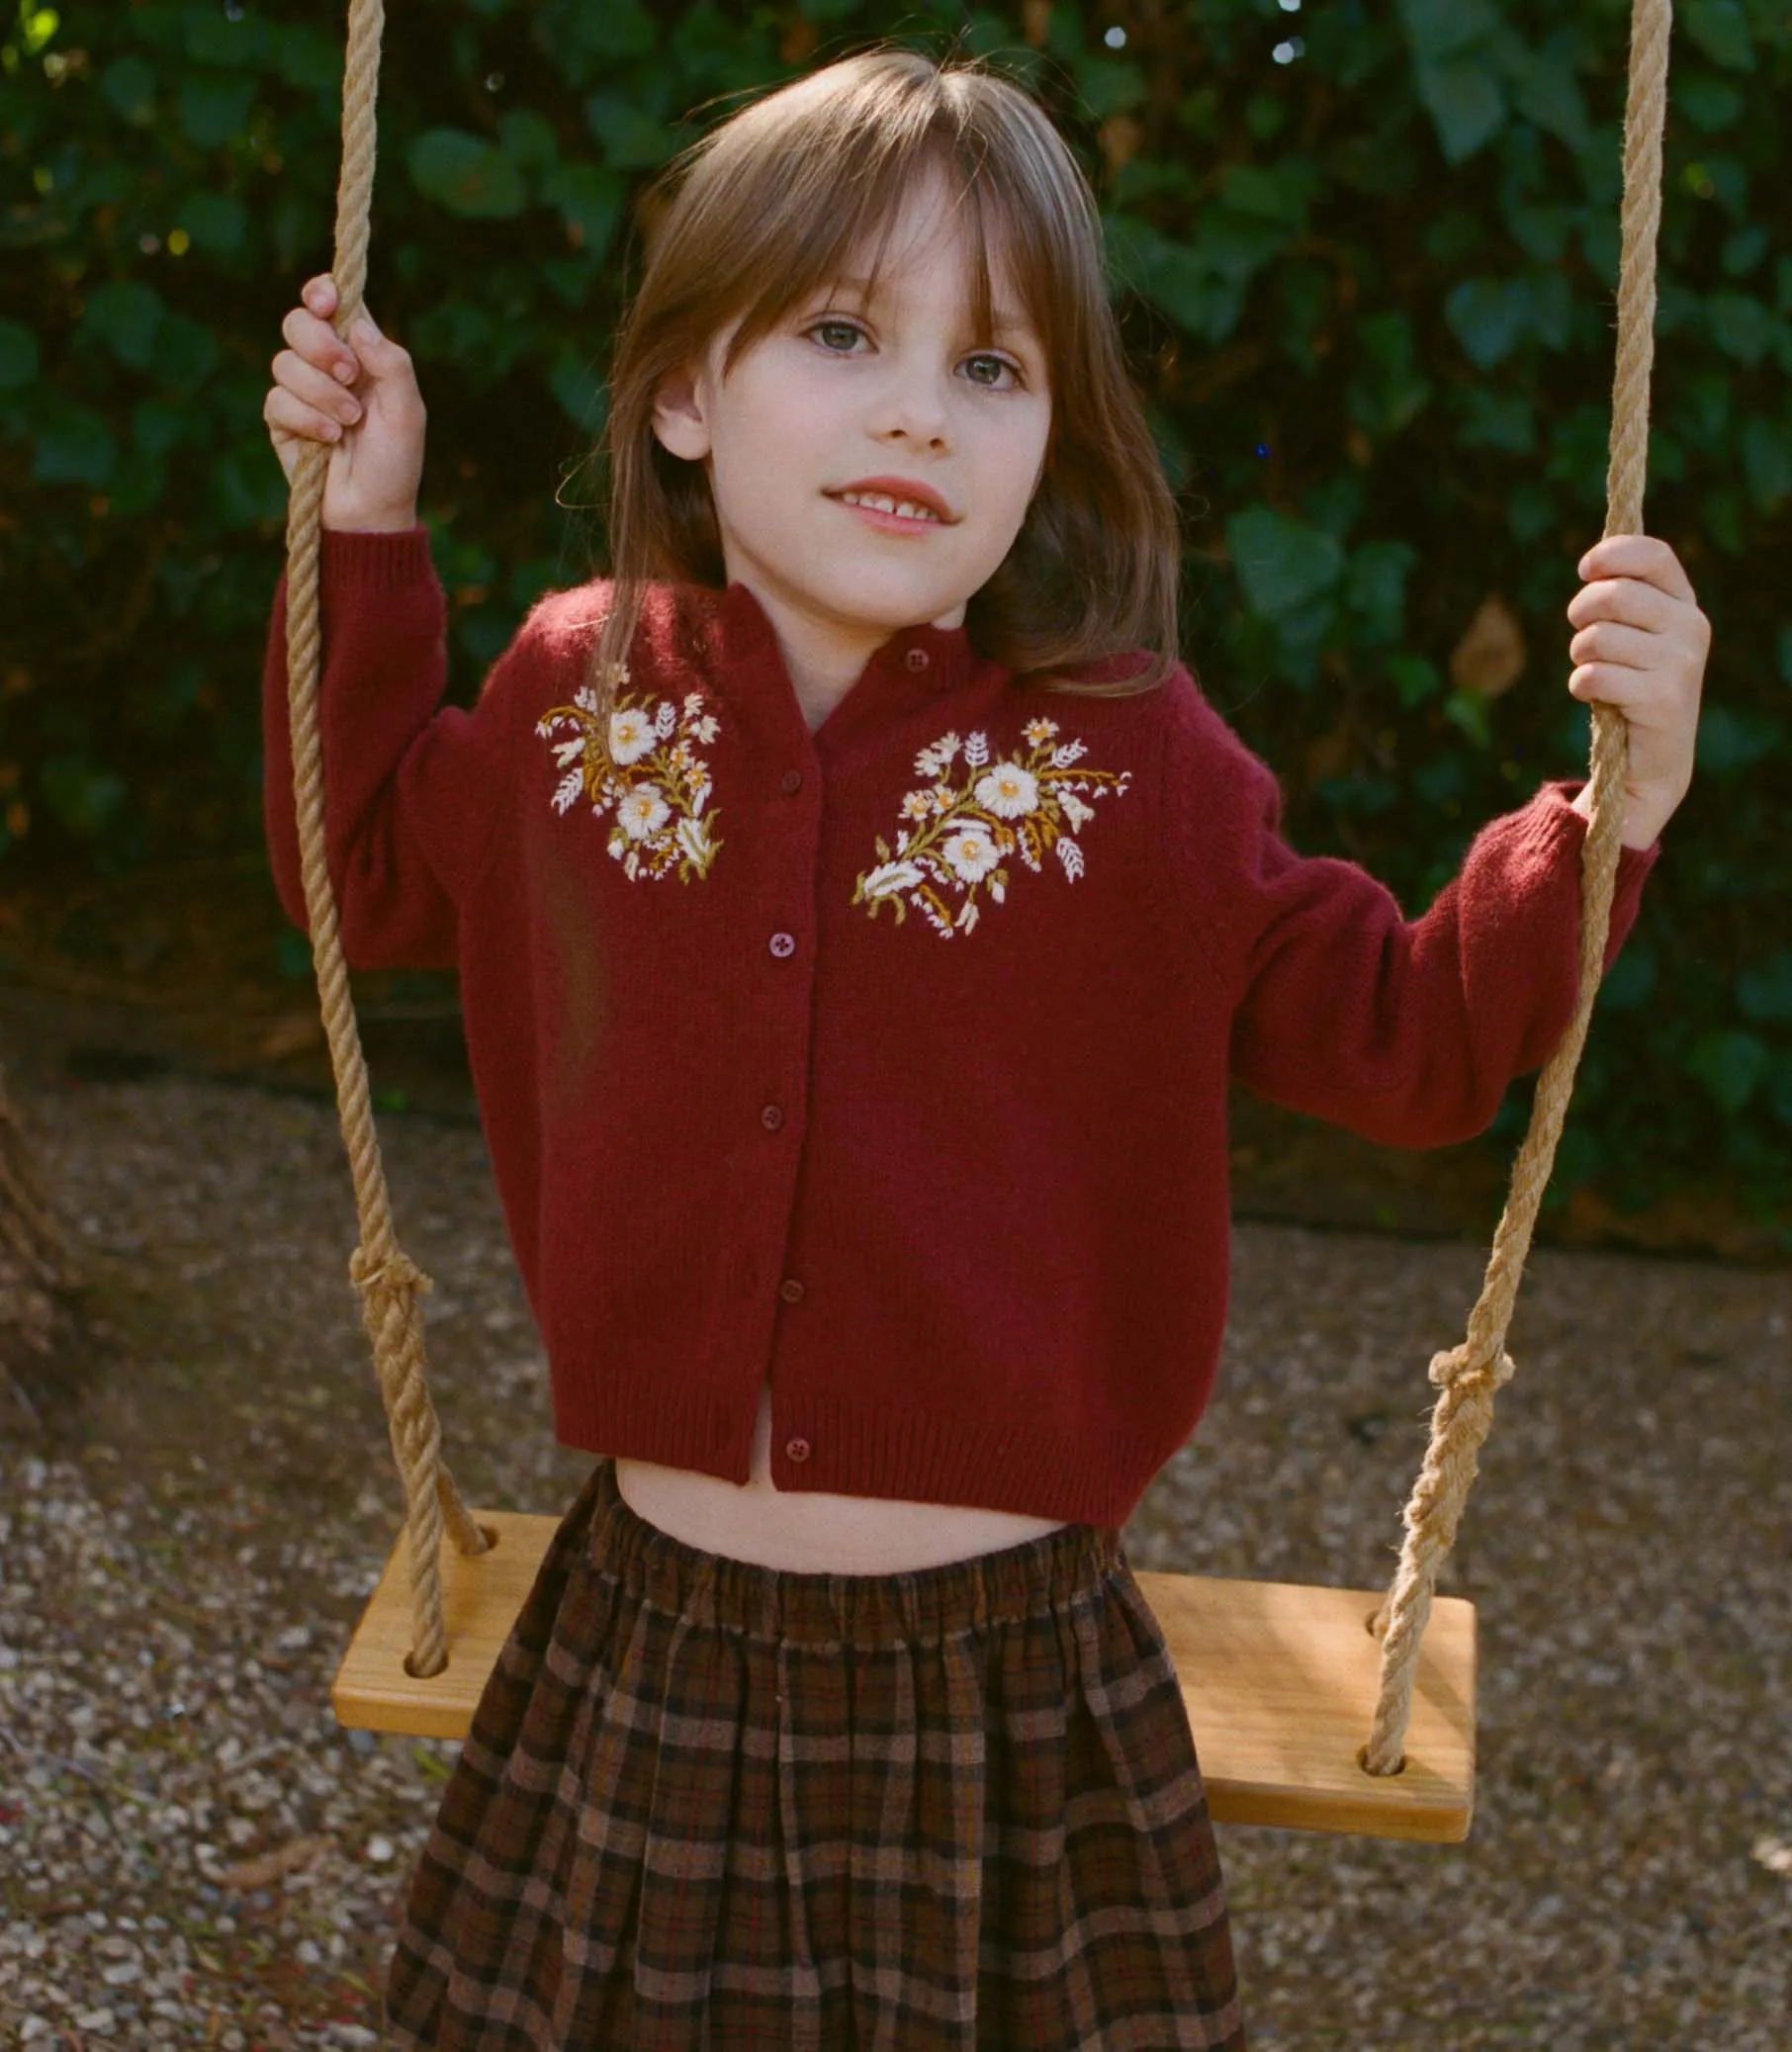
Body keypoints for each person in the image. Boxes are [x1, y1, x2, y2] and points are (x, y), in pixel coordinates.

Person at [260, 44, 1706, 2052]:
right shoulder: (584, 697)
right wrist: (366, 524)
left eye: (993, 369)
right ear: (684, 393)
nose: (917, 413)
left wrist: (1608, 814)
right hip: (652, 1627)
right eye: (845, 333)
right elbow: (356, 877)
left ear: (1052, 436)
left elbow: (1408, 1035)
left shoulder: (1128, 764)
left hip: (1006, 1675)